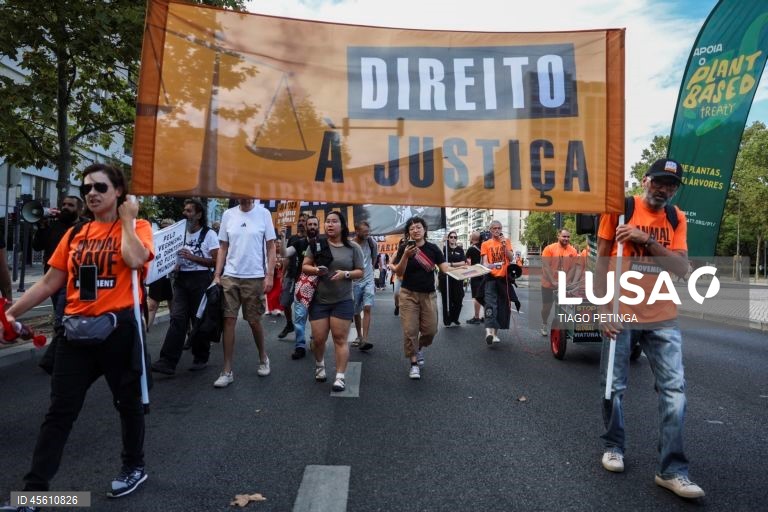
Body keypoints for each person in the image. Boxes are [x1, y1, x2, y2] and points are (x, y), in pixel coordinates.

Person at [1, 163, 154, 503]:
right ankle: (33, 494)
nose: (92, 194)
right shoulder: (75, 234)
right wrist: (11, 313)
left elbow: (135, 260)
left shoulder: (138, 227)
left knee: (128, 404)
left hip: (119, 332)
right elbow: (48, 282)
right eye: (86, 189)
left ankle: (134, 466)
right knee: (60, 412)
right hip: (75, 334)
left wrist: (127, 220)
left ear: (119, 191)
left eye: (100, 187)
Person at [597, 158, 704, 499]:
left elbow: (681, 267)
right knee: (613, 386)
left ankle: (671, 471)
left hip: (662, 315)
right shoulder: (620, 210)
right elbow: (601, 258)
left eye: (671, 185)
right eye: (658, 181)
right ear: (645, 180)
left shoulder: (676, 217)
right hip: (622, 310)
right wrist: (603, 307)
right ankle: (614, 446)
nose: (663, 189)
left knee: (674, 390)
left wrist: (645, 239)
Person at [212, 198, 276, 388]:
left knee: (254, 321)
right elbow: (223, 247)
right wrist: (217, 275)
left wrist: (269, 275)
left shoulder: (263, 214)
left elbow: (271, 246)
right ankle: (227, 370)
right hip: (230, 276)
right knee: (228, 320)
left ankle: (263, 357)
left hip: (254, 276)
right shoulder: (228, 214)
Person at [151, 199, 218, 375]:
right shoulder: (179, 234)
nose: (184, 213)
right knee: (177, 318)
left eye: (189, 211)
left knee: (198, 320)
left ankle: (201, 356)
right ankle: (167, 361)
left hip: (201, 279)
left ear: (199, 214)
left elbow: (217, 261)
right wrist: (173, 265)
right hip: (181, 280)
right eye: (184, 210)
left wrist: (192, 257)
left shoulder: (209, 234)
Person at [301, 211, 363, 392]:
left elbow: (360, 271)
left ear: (342, 226)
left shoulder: (353, 247)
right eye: (327, 221)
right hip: (319, 300)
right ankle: (320, 365)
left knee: (340, 339)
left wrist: (346, 274)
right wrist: (316, 270)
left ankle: (340, 377)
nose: (330, 224)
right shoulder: (316, 244)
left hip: (343, 300)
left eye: (334, 221)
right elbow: (305, 266)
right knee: (318, 339)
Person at [392, 216, 452, 380]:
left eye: (418, 227)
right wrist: (405, 255)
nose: (415, 230)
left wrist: (464, 269)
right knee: (410, 330)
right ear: (408, 232)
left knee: (430, 330)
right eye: (411, 228)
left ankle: (418, 348)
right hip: (408, 294)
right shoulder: (404, 248)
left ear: (424, 230)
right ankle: (413, 363)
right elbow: (399, 272)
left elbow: (444, 268)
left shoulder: (433, 249)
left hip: (428, 295)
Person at [31, 195, 86, 329]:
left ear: (80, 210)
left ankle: (62, 334)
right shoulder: (52, 226)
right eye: (64, 204)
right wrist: (42, 228)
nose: (66, 207)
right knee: (59, 310)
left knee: (65, 316)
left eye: (70, 205)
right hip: (54, 278)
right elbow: (37, 246)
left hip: (76, 278)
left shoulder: (86, 226)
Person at [281, 215, 320, 360]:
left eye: (315, 224)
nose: (312, 227)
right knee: (299, 318)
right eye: (310, 224)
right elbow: (284, 254)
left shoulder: (324, 243)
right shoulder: (299, 243)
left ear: (318, 226)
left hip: (318, 288)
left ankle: (314, 339)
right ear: (306, 226)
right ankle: (300, 346)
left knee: (316, 317)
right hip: (301, 286)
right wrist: (283, 237)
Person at [480, 220, 516, 345]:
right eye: (494, 228)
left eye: (499, 228)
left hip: (503, 279)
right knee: (490, 305)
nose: (497, 230)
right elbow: (484, 262)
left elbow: (511, 258)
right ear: (490, 230)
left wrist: (504, 246)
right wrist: (488, 266)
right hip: (490, 278)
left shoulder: (506, 241)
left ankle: (495, 334)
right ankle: (488, 333)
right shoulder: (485, 244)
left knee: (501, 306)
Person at [539, 229, 579, 336]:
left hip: (563, 285)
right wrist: (552, 281)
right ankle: (544, 323)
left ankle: (563, 328)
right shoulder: (549, 249)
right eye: (564, 236)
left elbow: (573, 268)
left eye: (568, 237)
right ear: (558, 236)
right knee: (546, 308)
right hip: (548, 284)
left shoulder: (573, 251)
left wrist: (565, 282)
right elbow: (546, 267)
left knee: (565, 308)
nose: (566, 239)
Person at [276, 213, 308, 339]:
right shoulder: (293, 239)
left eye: (303, 221)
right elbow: (286, 257)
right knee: (285, 302)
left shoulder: (311, 240)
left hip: (305, 277)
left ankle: (308, 334)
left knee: (304, 306)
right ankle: (289, 324)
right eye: (299, 221)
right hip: (291, 275)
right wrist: (283, 274)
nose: (301, 223)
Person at [351, 220, 377, 351]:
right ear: (357, 231)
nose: (367, 234)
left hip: (368, 280)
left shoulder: (372, 243)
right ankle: (359, 336)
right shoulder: (350, 245)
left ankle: (365, 339)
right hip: (355, 282)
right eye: (365, 232)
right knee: (356, 311)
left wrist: (369, 271)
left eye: (368, 231)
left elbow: (374, 259)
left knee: (367, 307)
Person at [146, 218, 176, 329]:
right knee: (152, 306)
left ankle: (177, 334)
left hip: (173, 277)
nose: (165, 230)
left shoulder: (177, 239)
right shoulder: (155, 239)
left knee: (175, 309)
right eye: (163, 228)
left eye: (168, 228)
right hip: (158, 276)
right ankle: (143, 334)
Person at [437, 230, 466, 326]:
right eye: (451, 237)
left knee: (459, 298)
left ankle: (455, 317)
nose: (453, 239)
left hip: (457, 277)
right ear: (448, 238)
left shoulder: (460, 249)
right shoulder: (445, 248)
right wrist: (442, 241)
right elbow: (438, 255)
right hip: (446, 277)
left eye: (455, 237)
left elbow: (463, 262)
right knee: (446, 299)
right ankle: (447, 320)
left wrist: (451, 264)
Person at [464, 231, 484, 324]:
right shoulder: (484, 246)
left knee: (477, 297)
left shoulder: (471, 249)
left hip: (476, 275)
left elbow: (467, 262)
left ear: (472, 238)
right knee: (485, 296)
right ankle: (487, 316)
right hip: (485, 274)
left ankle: (476, 317)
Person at [266, 239, 284, 315]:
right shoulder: (269, 253)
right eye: (276, 243)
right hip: (270, 274)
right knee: (269, 291)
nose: (278, 245)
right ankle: (269, 309)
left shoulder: (283, 254)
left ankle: (278, 308)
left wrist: (281, 265)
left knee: (278, 292)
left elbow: (286, 264)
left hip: (279, 275)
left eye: (280, 243)